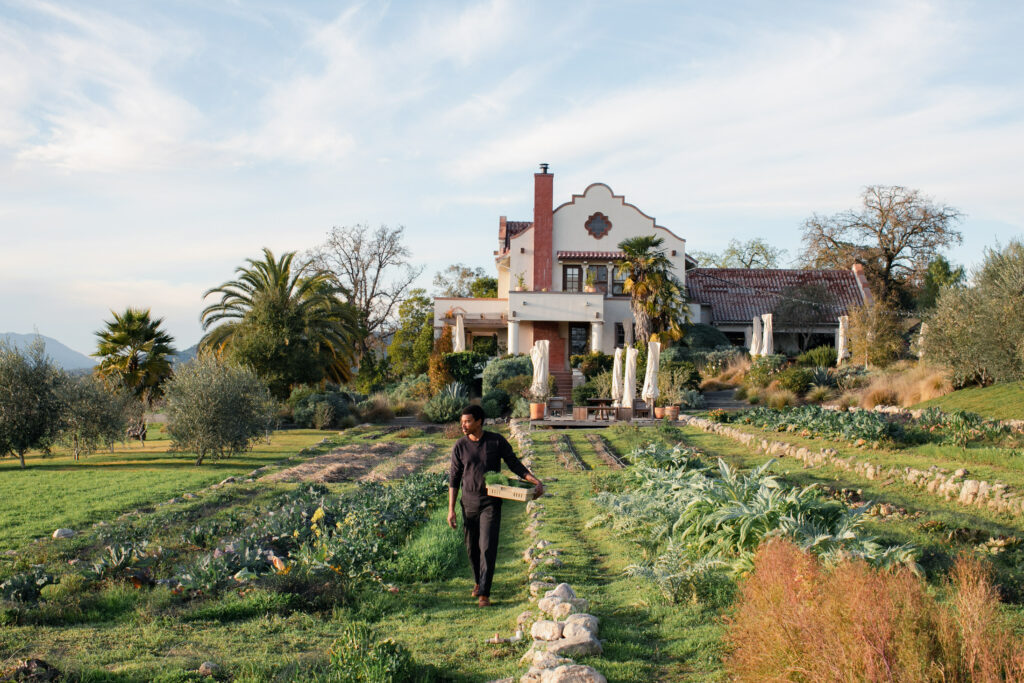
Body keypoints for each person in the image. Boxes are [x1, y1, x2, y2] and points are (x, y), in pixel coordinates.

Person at [447, 405, 543, 607]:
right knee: (472, 548)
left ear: (479, 421)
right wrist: (451, 510)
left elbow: (514, 464)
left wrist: (534, 481)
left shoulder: (496, 441)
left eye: (467, 421)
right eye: (462, 421)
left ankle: (484, 593)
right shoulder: (460, 446)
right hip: (468, 504)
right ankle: (477, 581)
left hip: (491, 502)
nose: (463, 425)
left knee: (487, 547)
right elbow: (454, 479)